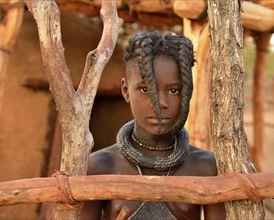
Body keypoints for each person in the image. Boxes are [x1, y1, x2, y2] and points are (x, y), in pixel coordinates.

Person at [80, 31, 226, 220]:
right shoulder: (101, 165)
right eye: (145, 90)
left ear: (188, 93)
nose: (160, 103)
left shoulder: (205, 166)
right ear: (125, 91)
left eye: (174, 90)